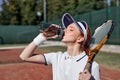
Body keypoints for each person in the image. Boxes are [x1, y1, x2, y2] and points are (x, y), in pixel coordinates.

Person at [20, 13, 100, 80]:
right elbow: (25, 56)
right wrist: (43, 36)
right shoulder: (57, 57)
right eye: (65, 29)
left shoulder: (93, 66)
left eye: (71, 30)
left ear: (80, 38)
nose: (64, 31)